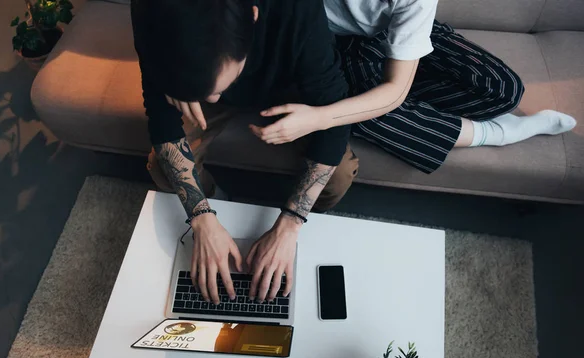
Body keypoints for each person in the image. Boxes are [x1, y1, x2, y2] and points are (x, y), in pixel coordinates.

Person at [131, 0, 356, 305]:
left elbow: (334, 120)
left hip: (290, 95)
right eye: (209, 92)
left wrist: (290, 224)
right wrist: (201, 218)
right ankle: (219, 210)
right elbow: (161, 119)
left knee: (338, 175)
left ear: (253, 15)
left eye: (223, 84)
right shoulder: (152, 12)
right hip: (193, 83)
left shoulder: (298, 9)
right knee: (162, 166)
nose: (214, 97)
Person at [253, 0, 577, 174]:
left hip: (388, 35)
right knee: (356, 112)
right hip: (327, 46)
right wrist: (324, 116)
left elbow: (394, 89)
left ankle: (409, 110)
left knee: (503, 89)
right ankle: (499, 133)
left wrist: (319, 119)